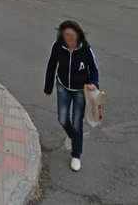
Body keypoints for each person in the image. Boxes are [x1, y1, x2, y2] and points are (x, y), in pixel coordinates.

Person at [43, 20, 100, 172]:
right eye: (66, 35)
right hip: (63, 86)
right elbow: (51, 65)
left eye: (71, 35)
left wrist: (94, 83)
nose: (69, 38)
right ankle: (73, 136)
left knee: (76, 122)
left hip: (80, 90)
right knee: (62, 119)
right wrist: (48, 87)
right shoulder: (58, 46)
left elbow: (94, 69)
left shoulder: (85, 49)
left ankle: (76, 154)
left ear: (78, 34)